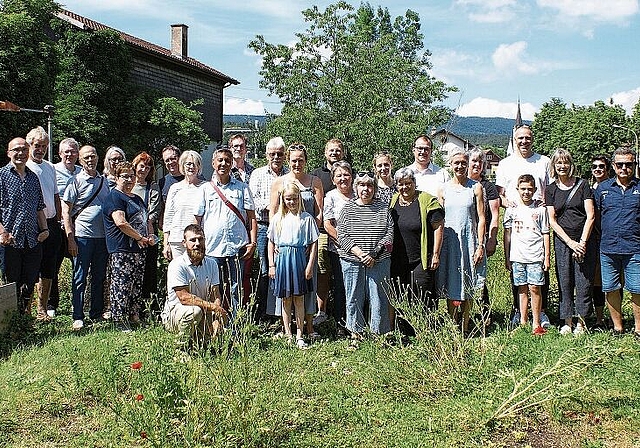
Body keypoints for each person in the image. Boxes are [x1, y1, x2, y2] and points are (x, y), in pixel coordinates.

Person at [495, 124, 552, 328]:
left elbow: (551, 190)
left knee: (540, 275)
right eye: (520, 138)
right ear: (514, 139)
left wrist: (546, 205)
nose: (524, 141)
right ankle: (518, 313)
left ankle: (541, 312)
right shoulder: (504, 164)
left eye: (527, 137)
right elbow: (498, 194)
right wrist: (508, 203)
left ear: (532, 139)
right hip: (516, 222)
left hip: (537, 220)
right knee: (518, 277)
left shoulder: (543, 161)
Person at [196, 148, 257, 320]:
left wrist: (252, 243)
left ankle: (237, 324)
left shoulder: (243, 188)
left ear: (232, 164)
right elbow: (197, 221)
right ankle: (215, 322)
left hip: (237, 247)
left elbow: (251, 218)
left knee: (237, 288)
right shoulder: (205, 189)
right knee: (214, 288)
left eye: (227, 161)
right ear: (213, 163)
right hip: (212, 249)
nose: (223, 164)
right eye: (220, 160)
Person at [269, 143, 323, 336]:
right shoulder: (279, 183)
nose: (297, 163)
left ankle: (307, 326)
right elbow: (273, 213)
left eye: (301, 160)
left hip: (306, 241)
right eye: (293, 160)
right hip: (285, 244)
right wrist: (275, 243)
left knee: (306, 287)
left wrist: (310, 242)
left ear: (306, 161)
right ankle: (287, 328)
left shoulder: (314, 181)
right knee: (286, 291)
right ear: (288, 161)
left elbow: (319, 213)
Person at [545, 149, 595, 335]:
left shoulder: (583, 185)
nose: (562, 166)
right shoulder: (550, 189)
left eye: (565, 162)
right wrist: (570, 242)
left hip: (584, 240)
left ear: (570, 164)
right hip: (562, 241)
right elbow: (552, 220)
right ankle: (567, 321)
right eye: (559, 163)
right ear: (554, 166)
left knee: (583, 281)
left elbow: (590, 215)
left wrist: (581, 242)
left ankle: (581, 322)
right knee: (564, 281)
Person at [337, 171, 393, 336]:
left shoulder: (383, 208)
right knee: (354, 297)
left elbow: (389, 235)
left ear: (375, 188)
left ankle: (379, 334)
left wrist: (373, 255)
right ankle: (356, 333)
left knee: (379, 299)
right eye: (362, 185)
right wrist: (360, 254)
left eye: (370, 185)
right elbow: (342, 235)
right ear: (356, 187)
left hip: (379, 261)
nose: (366, 189)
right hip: (352, 260)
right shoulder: (347, 209)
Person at [437, 149, 485, 334]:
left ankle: (465, 326)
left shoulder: (475, 188)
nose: (460, 166)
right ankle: (452, 324)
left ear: (467, 164)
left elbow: (481, 218)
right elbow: (439, 219)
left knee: (469, 283)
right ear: (450, 165)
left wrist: (480, 245)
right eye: (456, 163)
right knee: (451, 282)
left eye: (463, 163)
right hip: (449, 243)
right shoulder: (443, 189)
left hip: (469, 241)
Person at [390, 168, 444, 333]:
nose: (405, 187)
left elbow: (438, 226)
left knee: (422, 294)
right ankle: (404, 330)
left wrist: (435, 254)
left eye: (408, 183)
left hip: (421, 258)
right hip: (398, 258)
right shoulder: (393, 201)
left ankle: (424, 330)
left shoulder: (426, 200)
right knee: (400, 294)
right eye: (401, 184)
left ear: (414, 183)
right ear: (396, 185)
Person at [103, 162, 155, 331]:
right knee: (121, 285)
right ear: (117, 178)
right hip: (122, 249)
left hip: (139, 249)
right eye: (125, 176)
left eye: (132, 176)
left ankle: (134, 316)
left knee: (136, 285)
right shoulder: (114, 197)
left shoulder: (137, 198)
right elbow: (121, 222)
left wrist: (149, 237)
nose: (129, 179)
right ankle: (119, 320)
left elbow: (145, 220)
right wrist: (140, 237)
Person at [62, 145, 110, 331]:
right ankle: (78, 316)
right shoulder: (75, 181)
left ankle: (96, 313)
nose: (90, 160)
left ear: (97, 157)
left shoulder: (104, 181)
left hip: (102, 238)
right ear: (80, 160)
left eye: (93, 156)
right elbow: (66, 212)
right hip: (82, 237)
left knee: (99, 277)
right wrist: (70, 238)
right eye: (86, 158)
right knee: (80, 277)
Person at [594, 147, 640, 338]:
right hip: (608, 248)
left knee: (637, 289)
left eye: (628, 164)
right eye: (619, 164)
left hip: (635, 248)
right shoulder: (603, 189)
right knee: (611, 288)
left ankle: (638, 329)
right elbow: (595, 218)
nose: (624, 168)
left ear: (634, 165)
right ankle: (618, 327)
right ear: (613, 166)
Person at [0, 137, 49, 314]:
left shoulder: (33, 178)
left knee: (30, 282)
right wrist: (3, 233)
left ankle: (23, 318)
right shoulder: (1, 176)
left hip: (32, 239)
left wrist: (45, 230)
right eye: (16, 150)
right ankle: (11, 322)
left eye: (23, 149)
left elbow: (39, 208)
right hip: (10, 240)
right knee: (11, 283)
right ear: (8, 153)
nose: (20, 153)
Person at [268, 182, 319, 348]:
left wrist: (310, 266)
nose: (291, 202)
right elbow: (271, 242)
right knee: (285, 300)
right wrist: (271, 265)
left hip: (299, 260)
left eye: (294, 198)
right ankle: (288, 333)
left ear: (300, 198)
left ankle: (299, 334)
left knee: (299, 299)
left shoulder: (306, 219)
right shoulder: (278, 218)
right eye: (288, 199)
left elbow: (313, 244)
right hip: (282, 260)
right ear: (283, 199)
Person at [162, 224, 228, 347]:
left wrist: (217, 317)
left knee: (222, 322)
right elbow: (184, 298)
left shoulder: (212, 264)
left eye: (200, 239)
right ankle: (181, 348)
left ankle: (202, 341)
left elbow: (215, 294)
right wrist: (213, 308)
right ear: (184, 243)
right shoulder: (177, 265)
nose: (197, 243)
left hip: (203, 311)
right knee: (194, 311)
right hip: (177, 313)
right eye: (192, 240)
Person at [503, 174, 550, 335]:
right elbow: (507, 234)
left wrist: (547, 257)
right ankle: (523, 320)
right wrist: (507, 257)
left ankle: (536, 322)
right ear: (517, 190)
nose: (526, 192)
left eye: (530, 189)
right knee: (521, 289)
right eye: (523, 189)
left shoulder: (540, 210)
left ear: (535, 190)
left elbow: (546, 233)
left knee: (535, 288)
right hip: (517, 256)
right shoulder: (511, 210)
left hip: (535, 256)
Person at [248, 137, 289, 322]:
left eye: (280, 154)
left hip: (287, 227)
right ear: (266, 155)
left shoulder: (289, 175)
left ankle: (283, 312)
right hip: (264, 227)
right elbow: (253, 202)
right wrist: (275, 205)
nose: (276, 157)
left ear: (285, 155)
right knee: (266, 269)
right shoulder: (257, 174)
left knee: (285, 268)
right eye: (272, 154)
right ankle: (265, 311)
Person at [25, 126, 61, 321]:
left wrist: (57, 219)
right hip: (32, 225)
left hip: (51, 222)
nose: (40, 149)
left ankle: (42, 308)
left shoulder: (50, 167)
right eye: (37, 145)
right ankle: (27, 310)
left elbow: (55, 195)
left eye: (44, 146)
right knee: (31, 267)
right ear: (29, 145)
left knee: (49, 268)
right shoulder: (25, 167)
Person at [310, 139, 344, 327]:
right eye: (331, 150)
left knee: (342, 274)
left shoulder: (348, 173)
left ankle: (342, 310)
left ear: (343, 152)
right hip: (322, 232)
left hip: (346, 234)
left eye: (338, 150)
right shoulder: (316, 175)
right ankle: (321, 311)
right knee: (323, 273)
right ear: (325, 153)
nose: (334, 153)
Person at [322, 161, 355, 334]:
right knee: (342, 286)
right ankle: (341, 323)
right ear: (333, 179)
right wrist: (345, 242)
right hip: (339, 249)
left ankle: (358, 321)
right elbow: (327, 224)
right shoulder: (331, 197)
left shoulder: (360, 193)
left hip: (361, 250)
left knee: (358, 286)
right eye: (339, 175)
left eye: (346, 174)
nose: (343, 178)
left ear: (352, 176)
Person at [50, 138, 81, 317]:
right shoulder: (52, 170)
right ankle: (52, 304)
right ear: (60, 154)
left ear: (77, 154)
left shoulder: (82, 171)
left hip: (78, 227)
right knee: (53, 266)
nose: (69, 155)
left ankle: (76, 303)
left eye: (73, 151)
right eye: (66, 152)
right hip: (58, 226)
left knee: (79, 266)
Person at [468, 148, 500, 323]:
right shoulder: (461, 183)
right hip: (463, 236)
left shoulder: (489, 187)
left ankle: (484, 314)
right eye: (474, 161)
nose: (477, 165)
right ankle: (462, 312)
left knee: (480, 277)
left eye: (480, 162)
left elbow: (495, 214)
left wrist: (492, 239)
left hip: (482, 236)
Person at [162, 151, 205, 261]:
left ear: (199, 166)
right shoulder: (175, 188)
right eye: (188, 164)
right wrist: (166, 243)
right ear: (182, 165)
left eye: (195, 164)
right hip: (176, 240)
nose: (191, 167)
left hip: (197, 241)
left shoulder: (206, 187)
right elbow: (168, 217)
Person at [590, 154, 617, 329]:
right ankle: (599, 318)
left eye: (601, 167)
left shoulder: (614, 188)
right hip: (594, 240)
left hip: (613, 241)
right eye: (595, 167)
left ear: (608, 169)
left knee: (616, 282)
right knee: (597, 282)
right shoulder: (589, 189)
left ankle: (616, 319)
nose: (598, 170)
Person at [132, 152, 162, 306]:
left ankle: (148, 305)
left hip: (148, 234)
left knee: (148, 271)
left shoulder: (153, 187)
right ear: (135, 166)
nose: (144, 170)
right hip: (130, 234)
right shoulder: (128, 184)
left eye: (148, 167)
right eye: (142, 166)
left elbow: (154, 211)